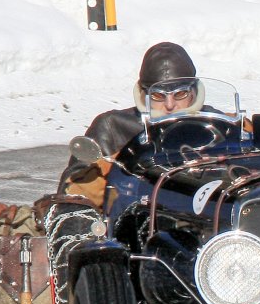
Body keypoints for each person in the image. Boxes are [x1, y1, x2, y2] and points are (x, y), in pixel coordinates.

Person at [59, 41, 199, 199]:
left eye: (180, 94)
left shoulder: (213, 125)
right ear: (144, 95)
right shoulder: (113, 126)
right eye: (158, 95)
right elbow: (70, 189)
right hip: (135, 210)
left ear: (193, 92)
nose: (170, 105)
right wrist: (115, 166)